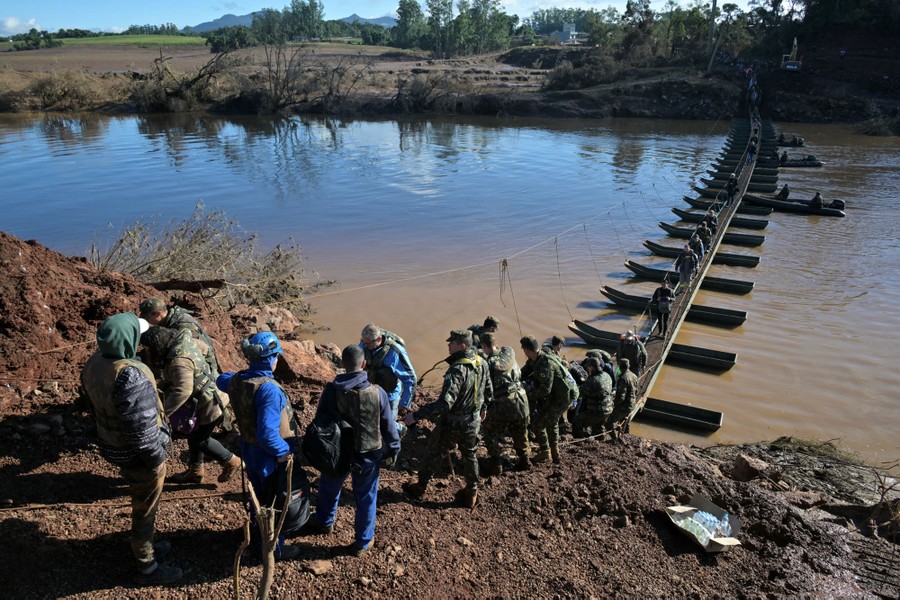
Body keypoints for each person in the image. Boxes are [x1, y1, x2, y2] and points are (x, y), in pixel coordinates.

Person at [80, 313, 182, 585]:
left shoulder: (95, 363)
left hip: (112, 444)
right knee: (145, 507)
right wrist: (157, 459)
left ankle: (146, 544)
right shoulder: (131, 376)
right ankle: (147, 564)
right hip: (136, 453)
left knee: (142, 499)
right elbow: (144, 432)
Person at [305, 345, 400, 556]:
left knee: (329, 487)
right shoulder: (378, 393)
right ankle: (363, 543)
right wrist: (393, 448)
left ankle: (324, 522)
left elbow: (321, 419)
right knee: (366, 497)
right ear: (364, 364)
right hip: (368, 454)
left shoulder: (331, 390)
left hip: (336, 452)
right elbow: (388, 426)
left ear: (342, 365)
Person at [217, 332, 301, 560]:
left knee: (257, 496)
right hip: (268, 455)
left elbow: (220, 379)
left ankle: (256, 533)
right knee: (273, 500)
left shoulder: (236, 380)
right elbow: (266, 433)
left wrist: (243, 374)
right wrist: (283, 452)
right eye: (276, 357)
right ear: (270, 359)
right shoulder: (270, 390)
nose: (277, 361)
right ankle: (273, 547)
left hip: (248, 449)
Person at [401, 330, 492, 509]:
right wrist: (484, 408)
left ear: (463, 346)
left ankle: (419, 488)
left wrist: (416, 415)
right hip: (472, 421)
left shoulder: (457, 370)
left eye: (452, 343)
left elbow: (444, 404)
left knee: (433, 453)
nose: (448, 345)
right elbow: (488, 390)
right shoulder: (482, 362)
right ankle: (472, 493)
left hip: (453, 423)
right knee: (470, 455)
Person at [140, 326, 240, 484]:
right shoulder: (185, 341)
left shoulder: (179, 361)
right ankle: (196, 470)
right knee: (194, 435)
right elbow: (206, 349)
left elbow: (183, 391)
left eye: (149, 348)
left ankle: (232, 461)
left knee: (202, 440)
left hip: (210, 403)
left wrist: (163, 413)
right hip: (207, 395)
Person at [478, 333, 530, 475]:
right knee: (520, 432)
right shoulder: (509, 354)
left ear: (483, 346)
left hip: (503, 404)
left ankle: (496, 464)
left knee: (489, 431)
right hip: (522, 400)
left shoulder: (488, 364)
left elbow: (487, 390)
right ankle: (525, 461)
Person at [519, 335, 571, 464]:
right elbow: (523, 372)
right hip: (556, 396)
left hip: (561, 398)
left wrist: (526, 395)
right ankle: (554, 454)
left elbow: (545, 390)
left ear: (526, 350)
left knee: (538, 424)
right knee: (551, 423)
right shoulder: (535, 359)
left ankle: (546, 452)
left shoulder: (545, 363)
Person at [359, 324, 416, 437]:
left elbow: (410, 379)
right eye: (363, 342)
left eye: (368, 343)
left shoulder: (395, 352)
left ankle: (399, 431)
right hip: (370, 390)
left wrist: (404, 403)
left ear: (379, 339)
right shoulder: (364, 344)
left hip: (390, 395)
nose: (364, 345)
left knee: (388, 425)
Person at [140, 297, 220, 374]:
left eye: (147, 318)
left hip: (201, 368)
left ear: (158, 314)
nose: (147, 321)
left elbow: (191, 352)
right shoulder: (168, 320)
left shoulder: (184, 326)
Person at [572, 357, 613, 438]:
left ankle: (580, 441)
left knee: (577, 421)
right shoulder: (606, 375)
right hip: (608, 409)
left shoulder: (593, 380)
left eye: (588, 367)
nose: (587, 369)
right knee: (598, 426)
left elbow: (580, 393)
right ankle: (600, 439)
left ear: (592, 367)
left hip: (598, 411)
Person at [609, 358, 639, 439]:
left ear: (620, 367)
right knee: (626, 421)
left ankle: (614, 439)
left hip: (625, 405)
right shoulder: (634, 376)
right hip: (632, 404)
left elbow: (621, 397)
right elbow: (636, 391)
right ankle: (626, 437)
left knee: (609, 420)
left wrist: (612, 406)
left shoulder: (623, 379)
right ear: (628, 366)